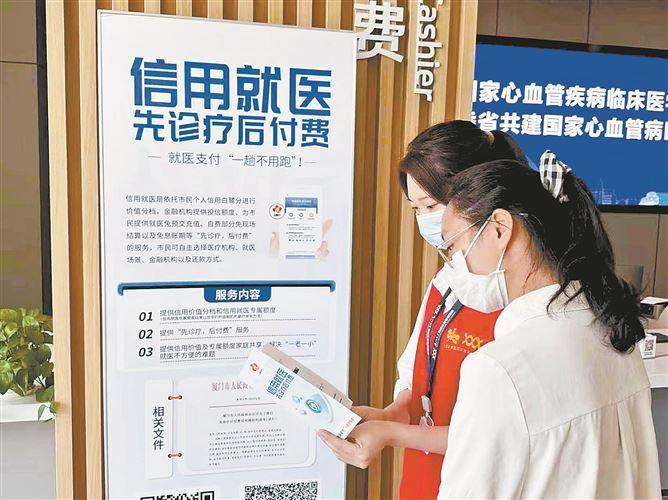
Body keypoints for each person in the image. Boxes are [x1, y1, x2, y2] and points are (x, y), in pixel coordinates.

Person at [318, 120, 528, 500]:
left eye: (431, 205)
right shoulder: (448, 277)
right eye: (416, 208)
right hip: (425, 477)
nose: (425, 220)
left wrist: (392, 433)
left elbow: (502, 430)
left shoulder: (519, 296)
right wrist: (394, 412)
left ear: (479, 196)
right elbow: (417, 369)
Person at [435, 152, 661, 498]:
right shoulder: (615, 332)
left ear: (499, 229)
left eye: (453, 247)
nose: (452, 265)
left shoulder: (497, 370)